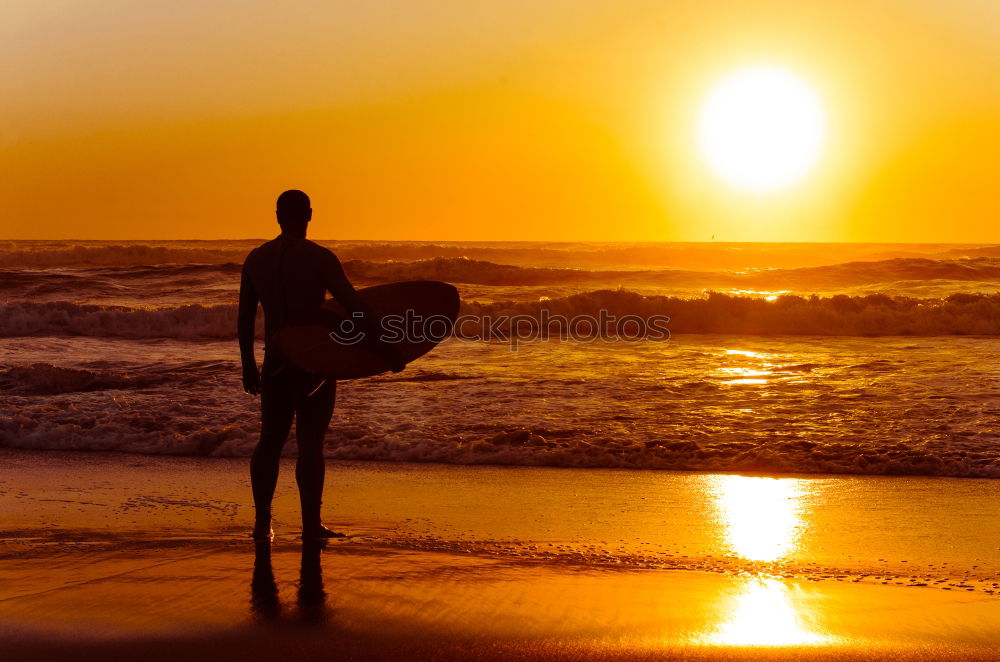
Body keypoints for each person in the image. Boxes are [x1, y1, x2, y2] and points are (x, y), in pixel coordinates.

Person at [238, 189, 403, 542]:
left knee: (270, 441)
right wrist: (387, 350)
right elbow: (354, 307)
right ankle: (311, 525)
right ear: (309, 214)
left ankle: (261, 523)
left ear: (278, 216)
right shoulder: (320, 259)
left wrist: (247, 366)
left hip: (276, 361)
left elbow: (244, 319)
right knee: (310, 444)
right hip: (314, 364)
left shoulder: (256, 260)